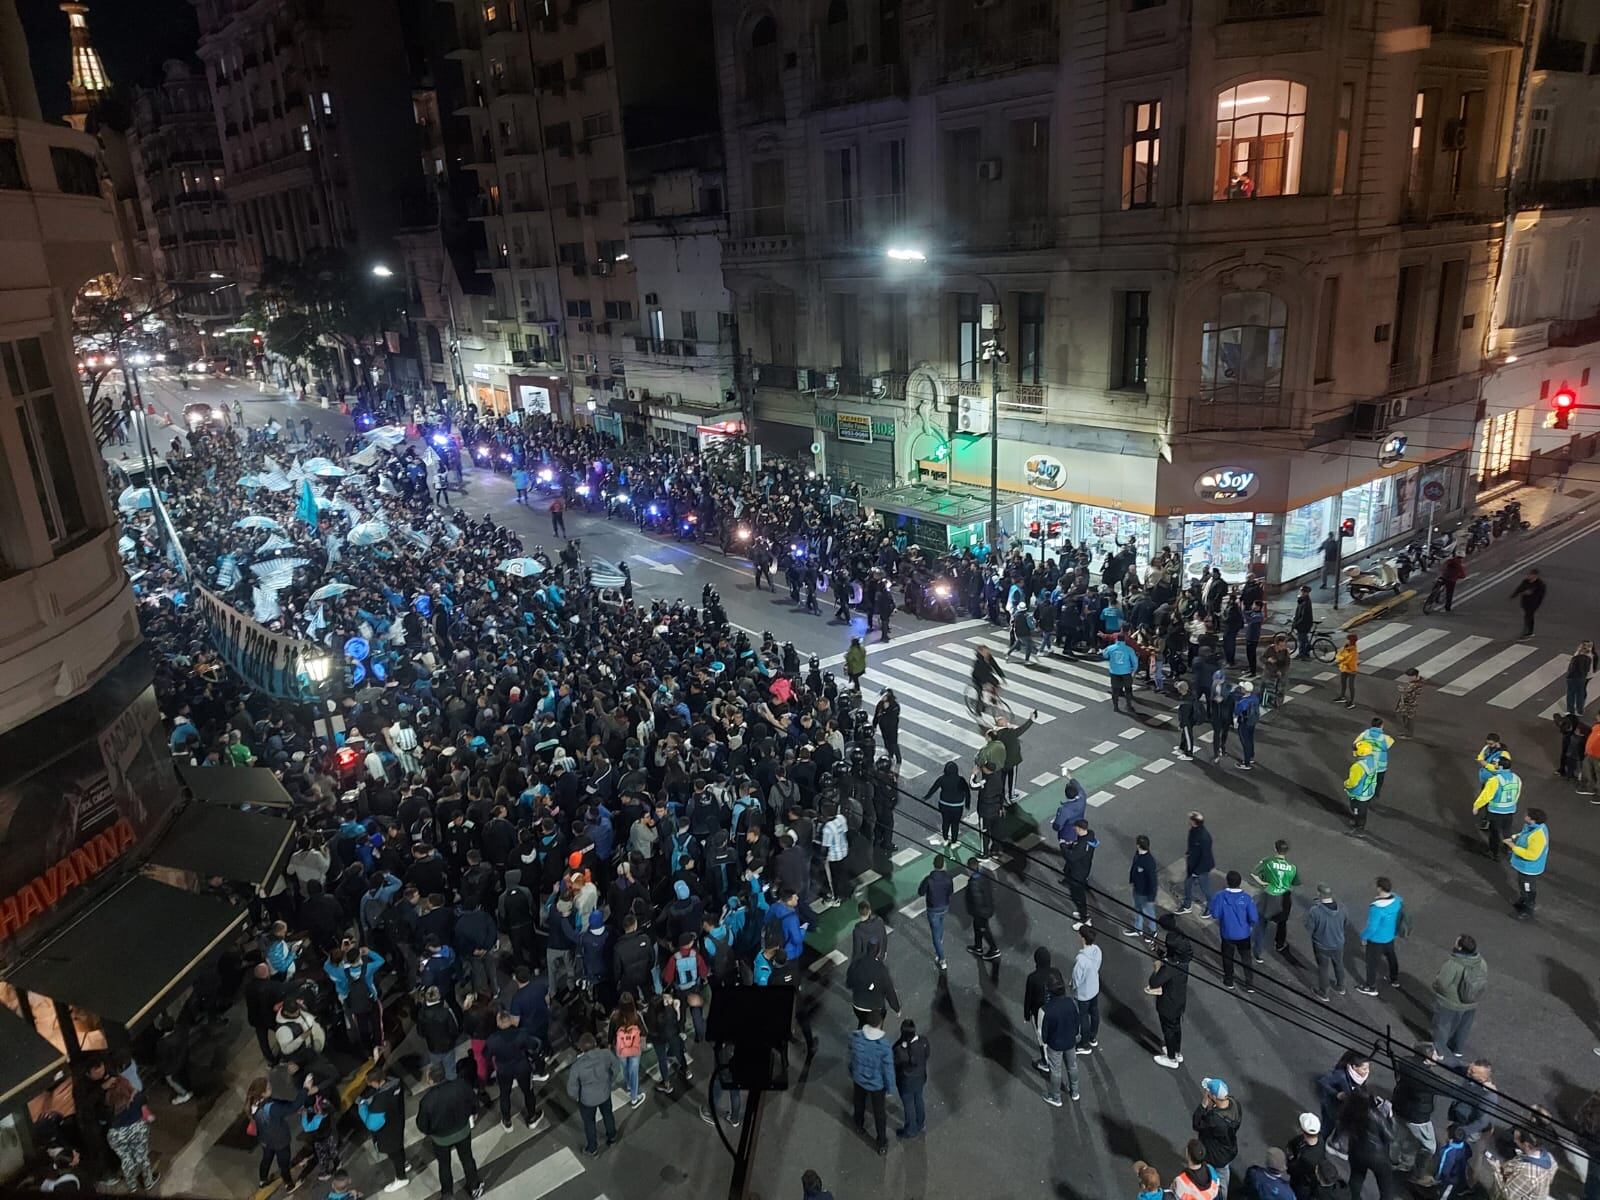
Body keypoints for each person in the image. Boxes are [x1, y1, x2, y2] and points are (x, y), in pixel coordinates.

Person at [416, 1064, 482, 1198]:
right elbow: (473, 1101)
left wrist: (431, 1132)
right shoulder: (461, 1086)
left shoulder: (427, 1101)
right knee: (467, 1158)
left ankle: (447, 1194)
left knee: (444, 1165)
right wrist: (473, 1112)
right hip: (462, 1131)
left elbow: (422, 1125)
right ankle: (474, 1186)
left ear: (430, 1080)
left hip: (441, 1139)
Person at [1430, 935, 1487, 1059]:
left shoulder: (1453, 963)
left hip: (1451, 1002)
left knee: (1443, 1026)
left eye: (1456, 942)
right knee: (1464, 1026)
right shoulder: (1481, 962)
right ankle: (1458, 1049)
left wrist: (1436, 987)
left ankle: (1439, 1051)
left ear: (1460, 948)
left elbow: (1442, 983)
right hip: (1471, 1001)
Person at [565, 1033, 619, 1157]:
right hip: (604, 1093)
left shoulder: (577, 1066)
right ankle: (612, 1136)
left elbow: (571, 1088)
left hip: (587, 1099)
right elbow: (616, 1068)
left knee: (589, 1123)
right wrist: (610, 1081)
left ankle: (592, 1148)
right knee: (608, 1114)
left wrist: (576, 1096)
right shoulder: (606, 1054)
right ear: (595, 1044)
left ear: (581, 1048)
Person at [356, 1066, 409, 1192]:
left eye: (370, 1083)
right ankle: (403, 1164)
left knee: (393, 1151)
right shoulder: (395, 1083)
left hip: (388, 1132)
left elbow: (372, 1124)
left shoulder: (380, 1102)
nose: (369, 1085)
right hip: (397, 1122)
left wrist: (362, 1107)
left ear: (375, 1082)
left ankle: (401, 1178)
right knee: (399, 1147)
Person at [101, 1077, 157, 1193]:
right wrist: (150, 1118)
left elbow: (103, 1121)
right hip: (136, 1130)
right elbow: (146, 1115)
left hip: (116, 1135)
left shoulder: (106, 1103)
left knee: (126, 1159)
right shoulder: (138, 1097)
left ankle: (132, 1186)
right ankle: (148, 1182)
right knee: (142, 1157)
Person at [1148, 924, 1192, 1069]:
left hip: (1168, 1004)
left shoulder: (1169, 968)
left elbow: (1154, 982)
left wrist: (1156, 968)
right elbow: (1168, 957)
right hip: (1179, 1001)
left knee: (1168, 1030)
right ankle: (1177, 1052)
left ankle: (1171, 1058)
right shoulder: (1183, 961)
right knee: (1176, 1027)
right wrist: (1159, 951)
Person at [849, 1018, 896, 1155]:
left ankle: (859, 1124)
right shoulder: (883, 1045)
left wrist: (852, 1070)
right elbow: (888, 1069)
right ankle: (881, 1143)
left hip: (859, 1079)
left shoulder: (857, 1037)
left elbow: (852, 1056)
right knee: (879, 1113)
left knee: (859, 1102)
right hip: (876, 1084)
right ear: (880, 1023)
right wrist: (890, 1087)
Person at [1355, 876, 1404, 996]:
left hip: (1376, 940)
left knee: (1371, 964)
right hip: (1390, 936)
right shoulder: (1397, 900)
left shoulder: (1376, 908)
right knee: (1391, 958)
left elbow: (1372, 927)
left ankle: (1370, 987)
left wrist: (1363, 937)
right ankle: (1394, 979)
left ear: (1380, 888)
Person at [1212, 871, 1260, 992]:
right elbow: (1254, 917)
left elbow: (1215, 914)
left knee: (1228, 958)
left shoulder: (1220, 896)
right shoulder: (1247, 898)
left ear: (1227, 882)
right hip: (1244, 934)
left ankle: (1229, 980)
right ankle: (1249, 984)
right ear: (1240, 883)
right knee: (1246, 959)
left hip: (1227, 933)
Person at [1193, 1077, 1242, 1195]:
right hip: (1229, 1149)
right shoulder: (1235, 1104)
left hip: (1215, 1155)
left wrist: (1203, 1106)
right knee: (1224, 1176)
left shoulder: (1214, 1119)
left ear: (1214, 1097)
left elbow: (1197, 1124)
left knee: (1212, 1175)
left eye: (1208, 1092)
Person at [1250, 839, 1297, 958]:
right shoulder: (1292, 867)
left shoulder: (1267, 861)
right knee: (1282, 922)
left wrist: (1263, 883)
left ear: (1275, 849)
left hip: (1269, 896)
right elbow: (1295, 882)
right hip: (1283, 898)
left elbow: (1254, 873)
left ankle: (1257, 951)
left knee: (1262, 924)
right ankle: (1279, 944)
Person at [1040, 968, 1081, 1106]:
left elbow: (1044, 1034)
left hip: (1055, 1044)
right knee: (1072, 1065)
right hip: (1070, 1041)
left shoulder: (1046, 1010)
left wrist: (1046, 1042)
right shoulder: (1070, 1002)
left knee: (1056, 1071)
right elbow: (1077, 1021)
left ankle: (1055, 1097)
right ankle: (1075, 1091)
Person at [1302, 884, 1347, 1002]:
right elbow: (1345, 923)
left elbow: (1309, 928)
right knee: (1339, 964)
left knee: (1323, 968)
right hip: (1338, 943)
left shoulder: (1315, 911)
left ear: (1319, 894)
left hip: (1321, 945)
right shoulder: (1342, 907)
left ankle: (1324, 992)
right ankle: (1341, 987)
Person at [1473, 754, 1523, 861]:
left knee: (1494, 833)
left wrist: (1477, 806)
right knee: (1507, 831)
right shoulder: (1517, 778)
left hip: (1496, 811)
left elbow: (1486, 795)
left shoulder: (1495, 780)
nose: (1493, 765)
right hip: (1510, 810)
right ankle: (1508, 849)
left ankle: (1493, 852)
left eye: (1495, 764)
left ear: (1500, 767)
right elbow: (1517, 794)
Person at [1505, 807, 1550, 919]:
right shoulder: (1532, 826)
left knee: (1528, 888)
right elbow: (1524, 833)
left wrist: (1512, 846)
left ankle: (1528, 909)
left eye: (1526, 815)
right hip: (1523, 866)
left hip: (1529, 868)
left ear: (1532, 819)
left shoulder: (1538, 836)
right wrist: (1515, 836)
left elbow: (1531, 855)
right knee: (1522, 884)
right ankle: (1523, 900)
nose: (1524, 816)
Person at [1488, 1126, 1557, 1198]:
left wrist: (1496, 1169)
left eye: (1517, 1140)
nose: (1515, 1141)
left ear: (1527, 1145)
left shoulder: (1526, 1174)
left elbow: (1507, 1195)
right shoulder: (1551, 1159)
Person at [892, 1018, 930, 1139]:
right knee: (918, 1099)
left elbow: (895, 1064)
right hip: (920, 1078)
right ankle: (920, 1123)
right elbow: (927, 1055)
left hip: (906, 1082)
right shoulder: (924, 1042)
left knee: (909, 1105)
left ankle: (911, 1129)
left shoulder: (899, 1049)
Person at [918, 854, 954, 970]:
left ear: (934, 864)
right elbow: (950, 892)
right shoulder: (948, 878)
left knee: (935, 935)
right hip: (944, 906)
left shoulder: (928, 879)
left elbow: (920, 892)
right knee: (940, 923)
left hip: (933, 908)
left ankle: (942, 958)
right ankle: (941, 939)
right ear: (943, 865)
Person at [1024, 947, 1056, 1072]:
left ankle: (1046, 1062)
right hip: (1054, 1009)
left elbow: (1029, 997)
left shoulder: (1033, 978)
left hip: (1039, 1013)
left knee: (1041, 1037)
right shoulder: (1055, 972)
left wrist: (1027, 1014)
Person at [1178, 811, 1215, 916]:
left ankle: (1211, 907)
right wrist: (1188, 853)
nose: (1188, 821)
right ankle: (1187, 905)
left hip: (1201, 868)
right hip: (1193, 865)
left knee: (1205, 889)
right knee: (1187, 885)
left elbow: (1205, 857)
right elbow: (1192, 845)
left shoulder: (1204, 838)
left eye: (1190, 819)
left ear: (1194, 822)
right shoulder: (1194, 831)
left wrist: (1197, 872)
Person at [1072, 926, 1102, 1053]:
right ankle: (1092, 1037)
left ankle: (1084, 1045)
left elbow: (1076, 979)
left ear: (1083, 938)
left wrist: (1073, 987)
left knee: (1083, 1017)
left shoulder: (1082, 960)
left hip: (1084, 993)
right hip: (1094, 988)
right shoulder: (1097, 950)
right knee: (1094, 1012)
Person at [965, 856, 999, 961]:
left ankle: (994, 949)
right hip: (987, 907)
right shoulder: (983, 875)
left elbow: (977, 902)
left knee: (984, 929)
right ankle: (978, 947)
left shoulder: (973, 883)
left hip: (981, 913)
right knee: (977, 927)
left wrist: (975, 913)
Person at [1127, 834, 1159, 944]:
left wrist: (1152, 896)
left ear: (1138, 845)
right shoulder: (1138, 855)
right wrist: (1132, 880)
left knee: (1148, 912)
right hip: (1137, 889)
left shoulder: (1149, 862)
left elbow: (1153, 881)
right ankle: (1138, 928)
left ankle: (1153, 931)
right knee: (1137, 909)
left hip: (1145, 893)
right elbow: (1134, 868)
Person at [1345, 739, 1380, 836]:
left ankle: (1359, 829)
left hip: (1359, 794)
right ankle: (1358, 824)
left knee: (1357, 810)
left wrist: (1345, 784)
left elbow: (1352, 783)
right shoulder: (1373, 761)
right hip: (1369, 791)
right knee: (1362, 810)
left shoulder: (1357, 767)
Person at [1105, 633, 1139, 713]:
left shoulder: (1110, 648)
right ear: (1124, 640)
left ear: (1116, 639)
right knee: (1128, 689)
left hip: (1115, 672)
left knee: (1115, 690)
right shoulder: (1129, 649)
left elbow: (1105, 655)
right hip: (1126, 672)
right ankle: (1128, 705)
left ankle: (1116, 706)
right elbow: (1135, 661)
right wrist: (1134, 671)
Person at [1511, 568, 1545, 638]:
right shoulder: (1525, 581)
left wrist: (1530, 593)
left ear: (1535, 576)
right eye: (1529, 575)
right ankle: (1527, 630)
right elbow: (1519, 588)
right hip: (1525, 602)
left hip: (1533, 603)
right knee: (1527, 616)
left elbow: (1540, 595)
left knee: (1529, 616)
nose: (1529, 576)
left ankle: (1529, 632)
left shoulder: (1540, 584)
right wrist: (1514, 595)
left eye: (1531, 575)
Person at [1568, 641, 1596, 716]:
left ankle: (1571, 710)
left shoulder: (1577, 655)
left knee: (1571, 693)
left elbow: (1571, 667)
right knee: (1581, 692)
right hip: (1585, 677)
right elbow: (1590, 668)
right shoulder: (1590, 655)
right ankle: (1580, 709)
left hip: (1576, 676)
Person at [1395, 668, 1424, 738]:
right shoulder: (1418, 681)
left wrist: (1402, 690)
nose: (1408, 678)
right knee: (1403, 716)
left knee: (1408, 718)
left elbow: (1409, 692)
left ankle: (1407, 734)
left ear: (1415, 676)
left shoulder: (1415, 684)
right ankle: (1405, 732)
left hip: (1409, 703)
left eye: (1410, 677)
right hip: (1406, 702)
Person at [1335, 634, 1359, 708]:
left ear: (1352, 641)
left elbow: (1349, 661)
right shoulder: (1346, 647)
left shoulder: (1353, 650)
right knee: (1343, 683)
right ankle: (1342, 697)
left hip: (1351, 670)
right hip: (1344, 668)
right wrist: (1341, 659)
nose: (1346, 640)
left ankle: (1352, 702)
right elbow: (1339, 654)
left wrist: (1340, 661)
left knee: (1351, 686)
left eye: (1348, 639)